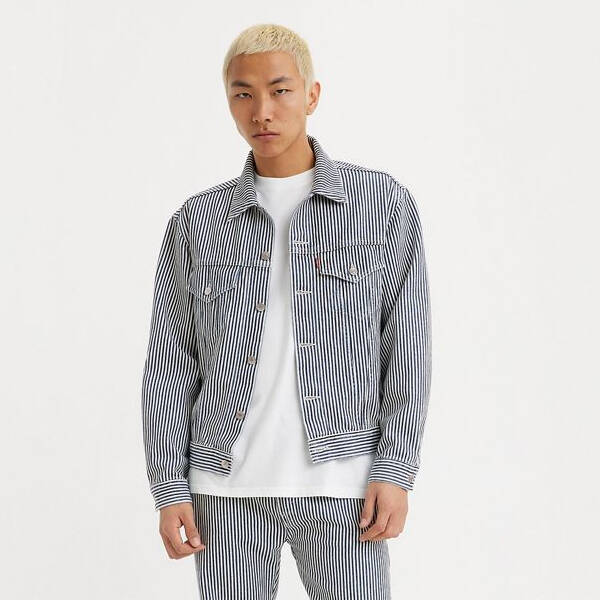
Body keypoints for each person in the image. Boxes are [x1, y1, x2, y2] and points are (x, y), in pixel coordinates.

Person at [141, 22, 432, 599]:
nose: (262, 112)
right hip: (225, 491)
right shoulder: (197, 223)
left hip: (344, 486)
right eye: (243, 94)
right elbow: (170, 366)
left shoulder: (382, 205)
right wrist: (168, 487)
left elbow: (406, 349)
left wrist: (395, 470)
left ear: (312, 95)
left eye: (280, 90)